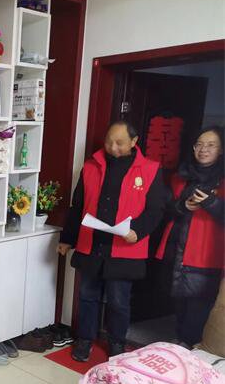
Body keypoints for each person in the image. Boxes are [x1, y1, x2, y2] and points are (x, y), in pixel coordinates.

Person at [58, 121, 167, 361]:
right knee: (87, 295)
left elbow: (156, 210)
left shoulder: (150, 170)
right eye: (109, 142)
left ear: (134, 142)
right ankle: (85, 339)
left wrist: (138, 231)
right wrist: (67, 238)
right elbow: (78, 206)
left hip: (124, 246)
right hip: (92, 243)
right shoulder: (91, 166)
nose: (112, 147)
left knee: (118, 301)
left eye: (119, 143)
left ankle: (117, 342)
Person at [155, 126, 224, 347]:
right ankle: (181, 342)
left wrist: (212, 203)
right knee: (179, 302)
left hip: (205, 253)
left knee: (199, 306)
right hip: (175, 248)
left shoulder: (222, 181)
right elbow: (164, 207)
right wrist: (182, 206)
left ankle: (189, 345)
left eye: (211, 145)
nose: (204, 149)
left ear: (221, 150)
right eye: (199, 144)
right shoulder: (180, 176)